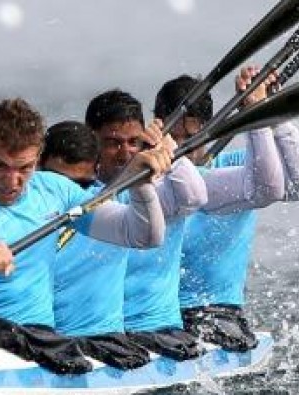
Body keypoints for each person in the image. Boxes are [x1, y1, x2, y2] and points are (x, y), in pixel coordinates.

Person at [0, 99, 175, 367]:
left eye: (24, 168)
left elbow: (142, 236)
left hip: (38, 339)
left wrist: (141, 185)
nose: (12, 181)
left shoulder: (55, 191)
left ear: (37, 158)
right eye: (1, 166)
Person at [155, 66, 299, 352]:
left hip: (215, 312)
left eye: (189, 139)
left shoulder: (240, 170)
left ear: (209, 129)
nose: (180, 148)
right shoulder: (148, 180)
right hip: (157, 315)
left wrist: (266, 114)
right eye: (173, 138)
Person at [41, 119, 206, 368]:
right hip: (44, 336)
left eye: (79, 185)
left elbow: (194, 198)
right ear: (37, 167)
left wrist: (169, 156)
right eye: (54, 179)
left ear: (95, 171)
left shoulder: (114, 200)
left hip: (108, 339)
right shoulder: (19, 206)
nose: (64, 191)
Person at [85, 89, 208, 361]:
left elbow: (197, 197)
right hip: (101, 333)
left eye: (133, 142)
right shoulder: (80, 194)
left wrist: (167, 148)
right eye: (113, 143)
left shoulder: (161, 189)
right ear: (91, 140)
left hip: (157, 330)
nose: (125, 153)